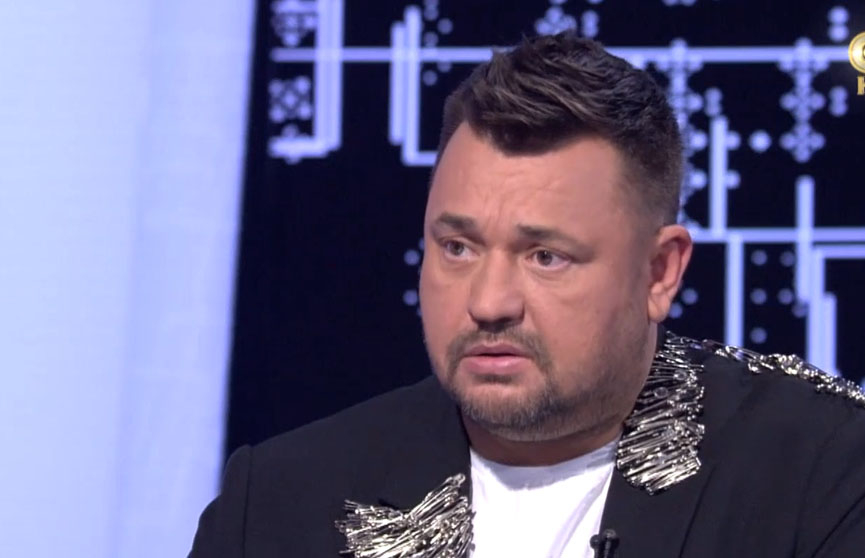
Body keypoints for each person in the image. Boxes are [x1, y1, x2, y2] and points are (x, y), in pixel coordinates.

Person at [189, 32, 865, 558]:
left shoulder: (821, 475)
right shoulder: (280, 503)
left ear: (659, 272)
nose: (488, 303)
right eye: (458, 247)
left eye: (545, 257)